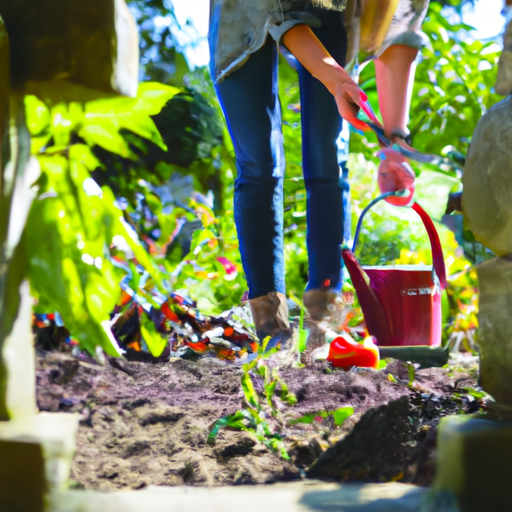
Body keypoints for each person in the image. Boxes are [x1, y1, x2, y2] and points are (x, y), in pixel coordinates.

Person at [208, 0, 429, 342]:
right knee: (260, 164)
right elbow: (278, 13)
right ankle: (270, 325)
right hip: (246, 10)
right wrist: (335, 78)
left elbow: (398, 33)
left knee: (327, 153)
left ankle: (324, 319)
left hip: (333, 13)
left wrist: (394, 143)